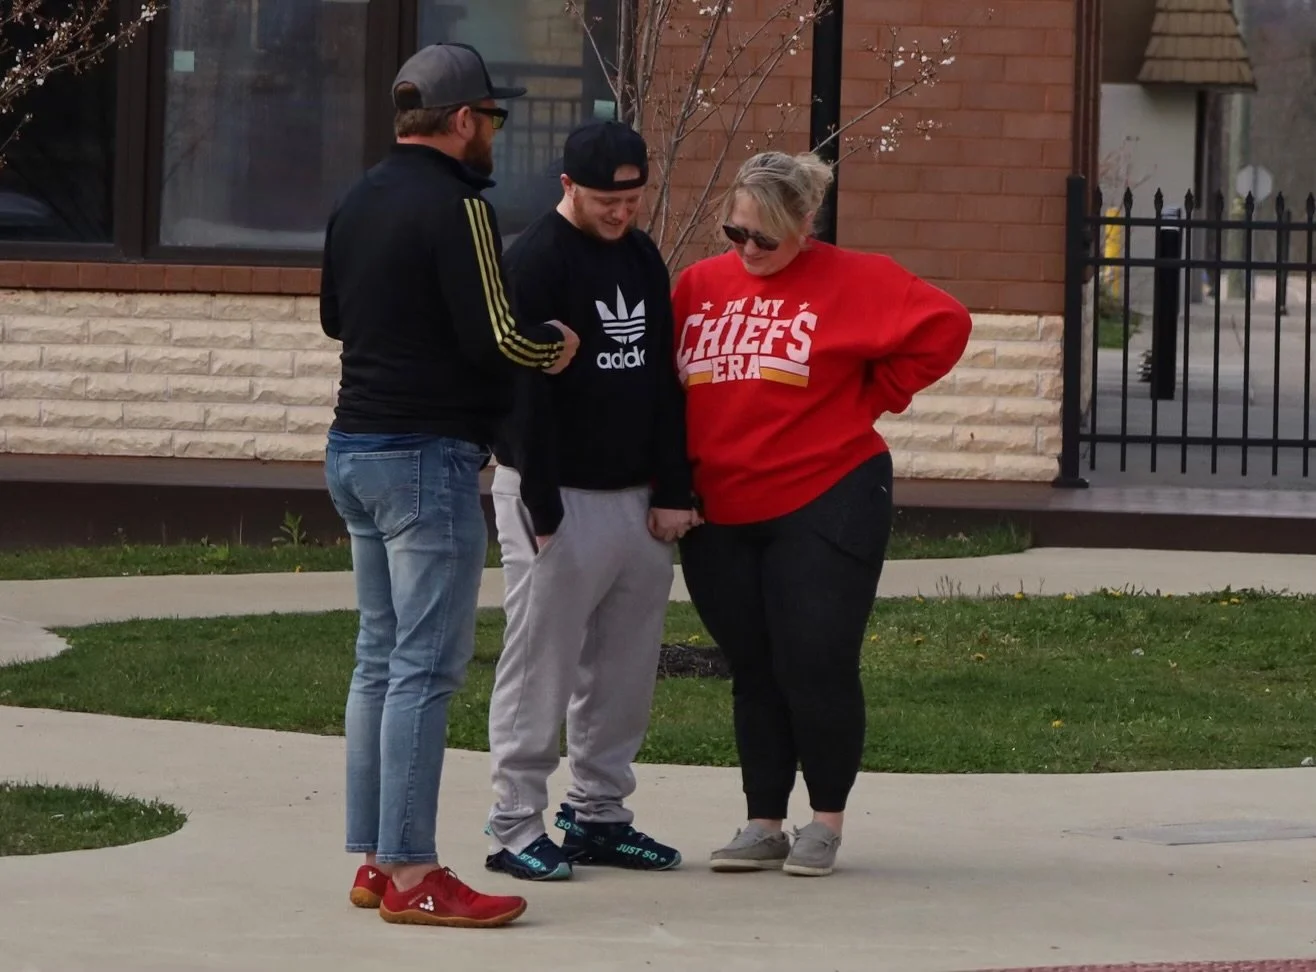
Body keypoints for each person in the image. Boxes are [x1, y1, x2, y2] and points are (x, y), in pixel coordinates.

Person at [319, 42, 580, 929]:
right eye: (492, 118)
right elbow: (499, 335)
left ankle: (374, 859)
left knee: (379, 658)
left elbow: (334, 318)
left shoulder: (357, 198)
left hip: (352, 447)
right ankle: (413, 870)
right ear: (464, 120)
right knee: (425, 670)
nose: (494, 134)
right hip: (425, 458)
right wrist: (554, 346)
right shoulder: (461, 206)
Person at [671, 150, 971, 877]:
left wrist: (876, 395)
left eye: (765, 238)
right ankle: (762, 823)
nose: (747, 250)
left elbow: (946, 324)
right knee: (754, 666)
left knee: (815, 661)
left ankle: (825, 822)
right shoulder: (698, 286)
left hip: (826, 494)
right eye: (735, 232)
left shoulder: (856, 278)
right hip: (722, 508)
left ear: (805, 223)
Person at [483, 119, 698, 881]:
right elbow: (519, 396)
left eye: (633, 199)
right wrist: (541, 511)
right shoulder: (534, 260)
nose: (621, 212)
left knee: (623, 673)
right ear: (569, 186)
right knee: (540, 667)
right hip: (556, 496)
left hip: (636, 499)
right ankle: (514, 825)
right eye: (607, 199)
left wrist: (674, 489)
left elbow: (662, 380)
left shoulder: (641, 255)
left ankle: (598, 816)